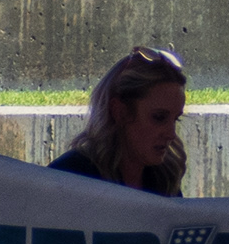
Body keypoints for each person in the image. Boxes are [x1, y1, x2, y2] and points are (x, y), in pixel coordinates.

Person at [56, 46, 188, 194]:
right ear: (120, 112)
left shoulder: (165, 179)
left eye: (176, 119)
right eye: (159, 118)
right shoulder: (69, 177)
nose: (171, 134)